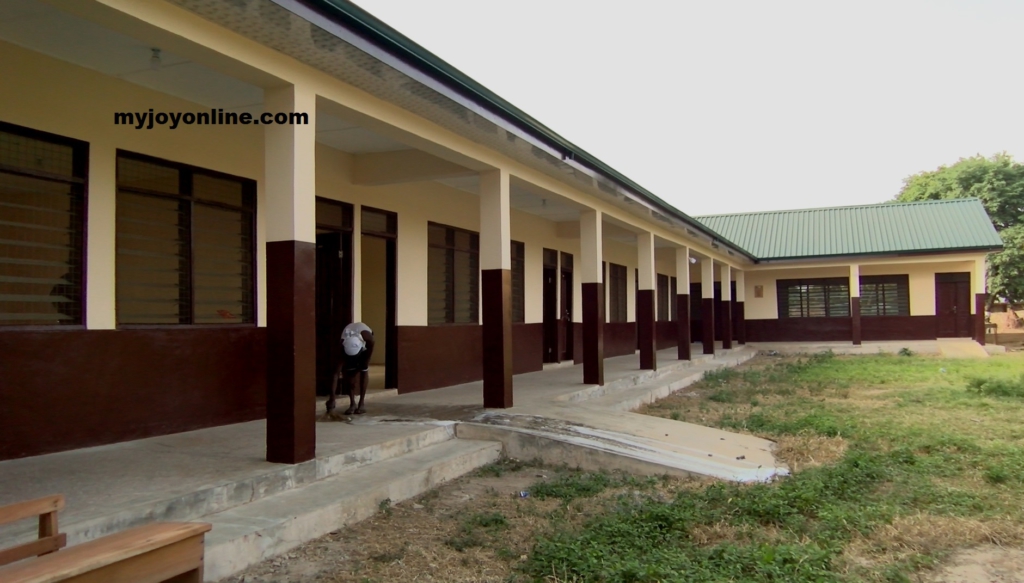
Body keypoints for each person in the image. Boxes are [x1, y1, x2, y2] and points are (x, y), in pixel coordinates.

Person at [326, 322, 375, 415]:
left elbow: (365, 364)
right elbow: (335, 374)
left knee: (364, 369)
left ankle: (361, 403)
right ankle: (352, 404)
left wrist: (365, 361)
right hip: (350, 345)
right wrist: (332, 398)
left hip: (363, 343)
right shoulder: (341, 347)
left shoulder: (369, 340)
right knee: (349, 373)